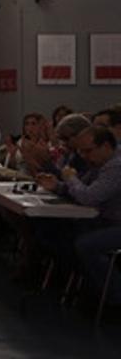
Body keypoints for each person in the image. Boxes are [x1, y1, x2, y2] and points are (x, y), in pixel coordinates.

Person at [36, 126, 121, 306]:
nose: (83, 156)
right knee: (56, 230)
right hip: (105, 220)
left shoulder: (116, 165)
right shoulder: (99, 163)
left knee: (86, 244)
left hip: (116, 224)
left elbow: (89, 197)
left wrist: (70, 178)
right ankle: (85, 286)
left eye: (88, 151)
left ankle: (114, 298)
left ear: (105, 146)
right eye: (80, 151)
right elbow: (84, 188)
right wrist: (57, 186)